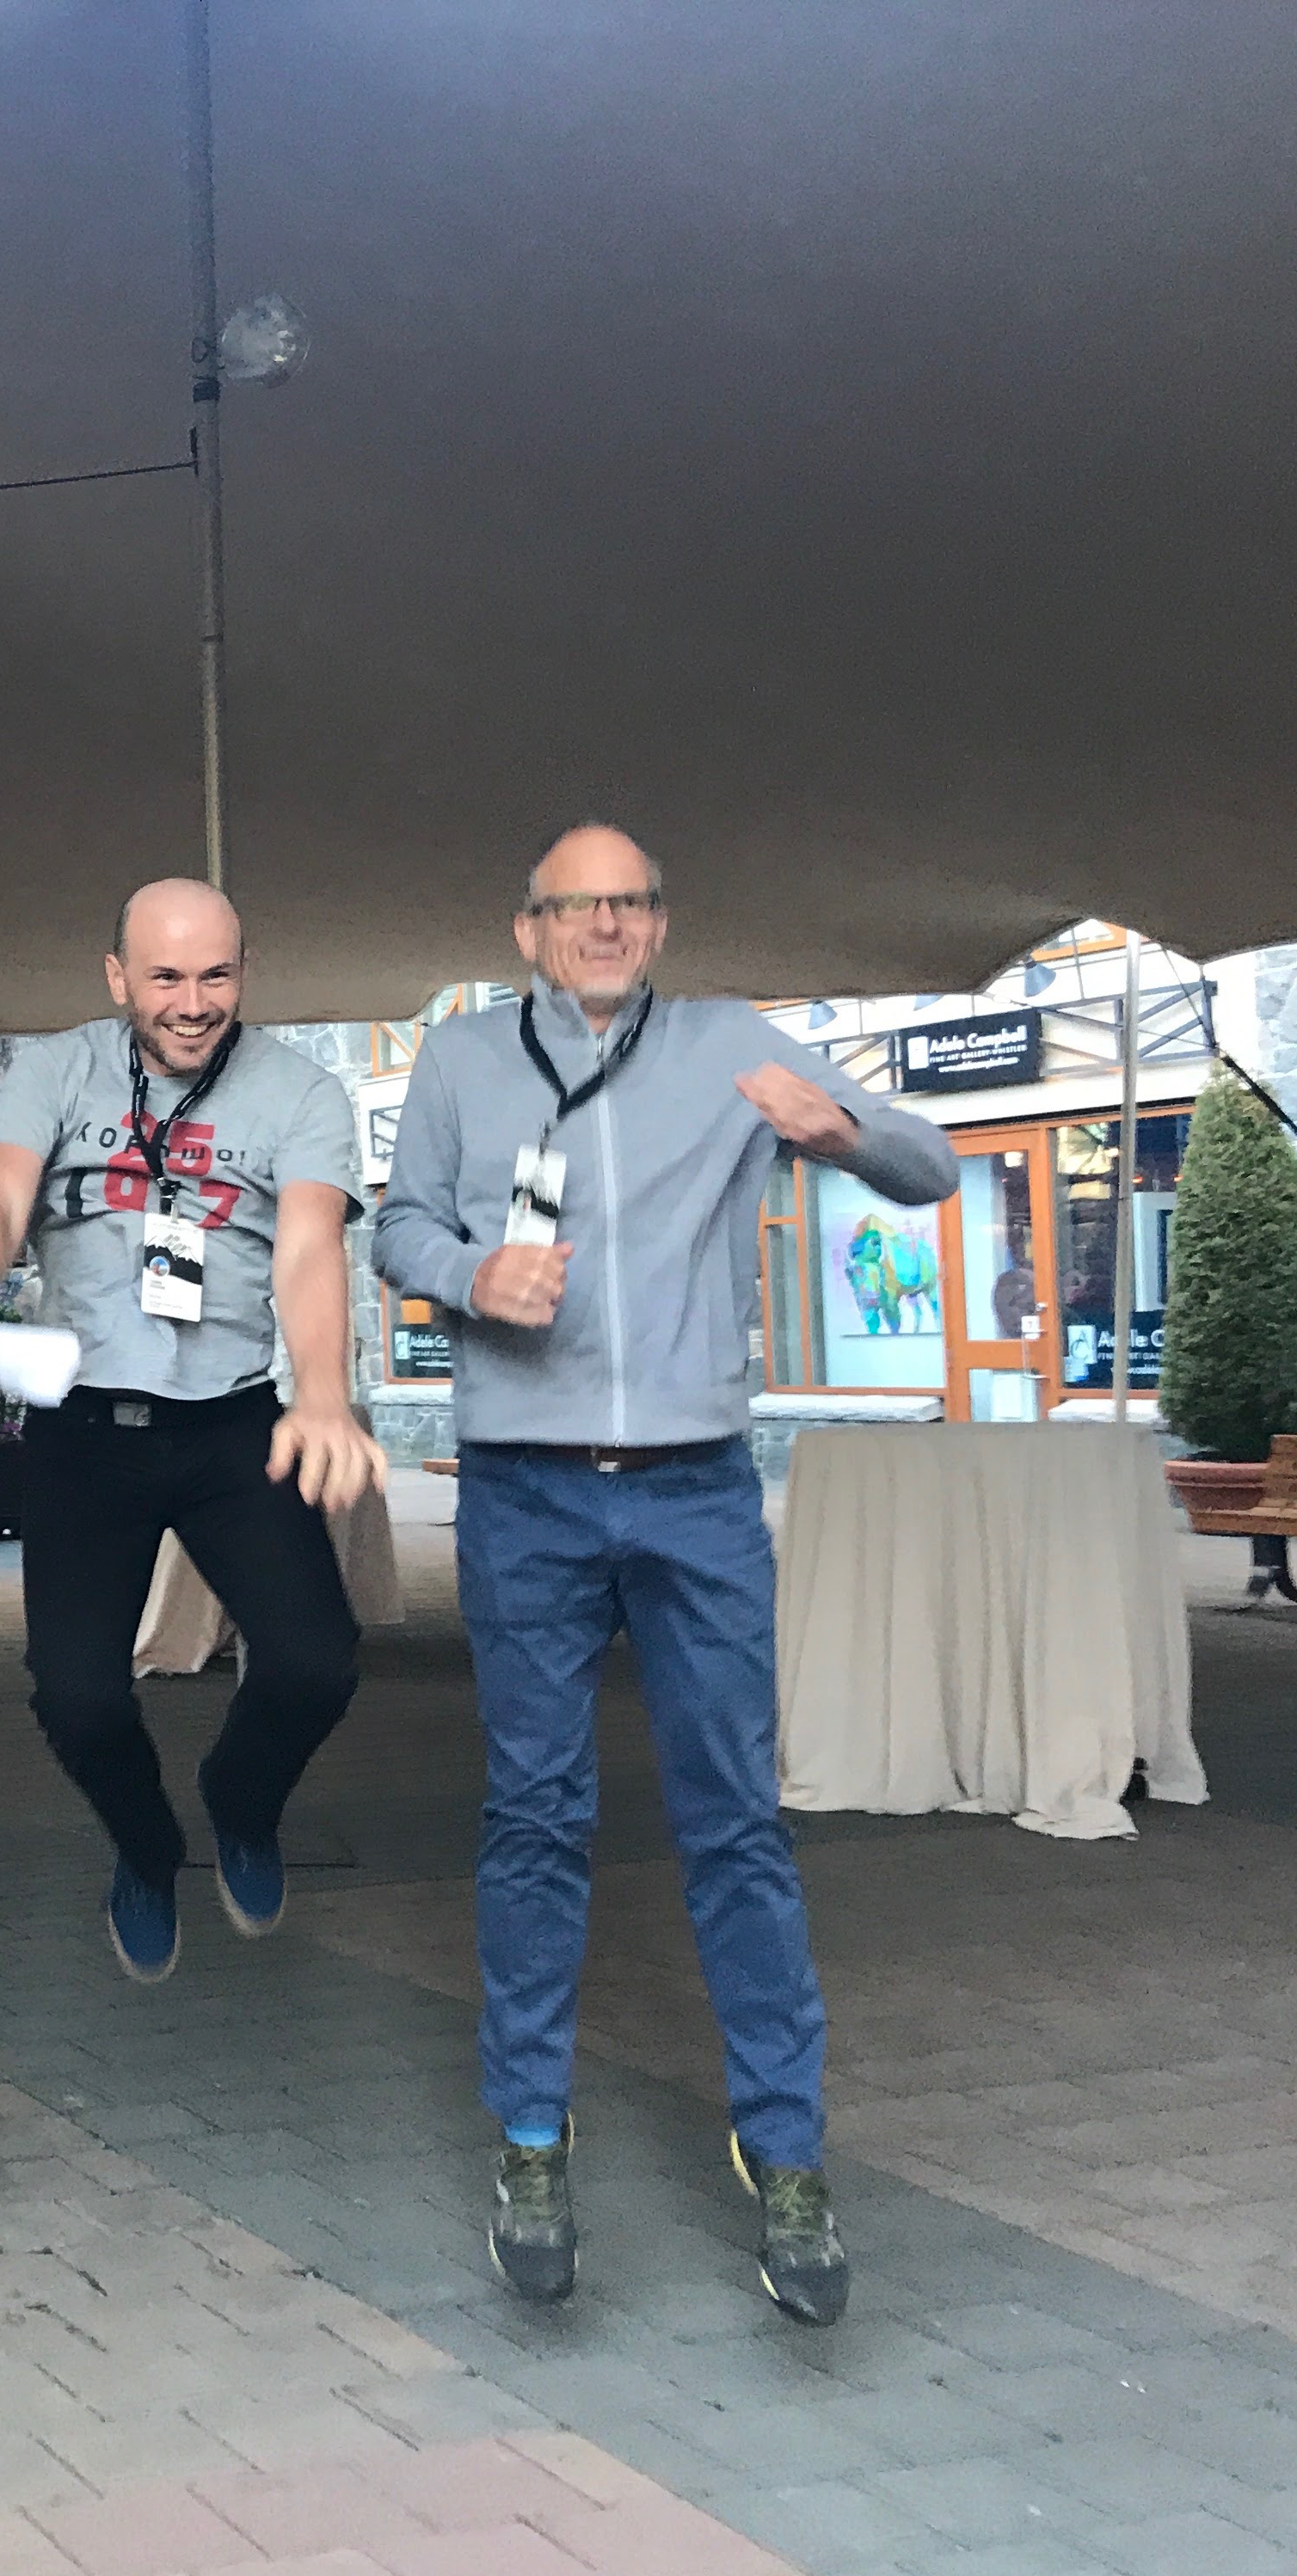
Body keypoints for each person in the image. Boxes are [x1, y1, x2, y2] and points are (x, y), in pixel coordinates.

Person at [375, 825, 953, 2327]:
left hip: (696, 1491)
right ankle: (530, 2136)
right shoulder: (458, 1059)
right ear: (527, 928)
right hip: (525, 1493)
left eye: (630, 903)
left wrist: (836, 1130)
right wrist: (466, 1274)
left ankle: (787, 2151)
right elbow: (398, 1226)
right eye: (578, 905)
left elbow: (933, 1166)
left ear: (658, 924)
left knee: (736, 1823)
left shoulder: (728, 1042)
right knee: (534, 1819)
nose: (607, 924)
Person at [0, 878, 381, 1989]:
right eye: (165, 976)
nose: (192, 1001)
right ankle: (146, 1845)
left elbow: (310, 1248)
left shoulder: (300, 1091)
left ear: (245, 971)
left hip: (233, 1425)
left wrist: (323, 1391)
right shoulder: (57, 1070)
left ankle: (240, 1801)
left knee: (316, 1665)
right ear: (118, 975)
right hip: (87, 1429)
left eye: (215, 974)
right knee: (75, 1697)